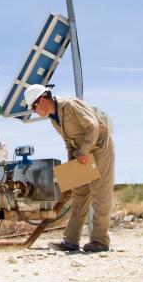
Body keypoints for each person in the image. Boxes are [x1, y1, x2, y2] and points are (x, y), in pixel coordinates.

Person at [23, 84, 115, 253]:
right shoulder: (54, 119)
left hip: (100, 148)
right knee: (79, 194)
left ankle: (100, 241)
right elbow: (68, 142)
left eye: (33, 107)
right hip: (82, 153)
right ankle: (71, 241)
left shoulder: (70, 104)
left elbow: (93, 126)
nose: (34, 111)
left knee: (99, 192)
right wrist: (72, 162)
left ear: (42, 100)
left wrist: (83, 151)